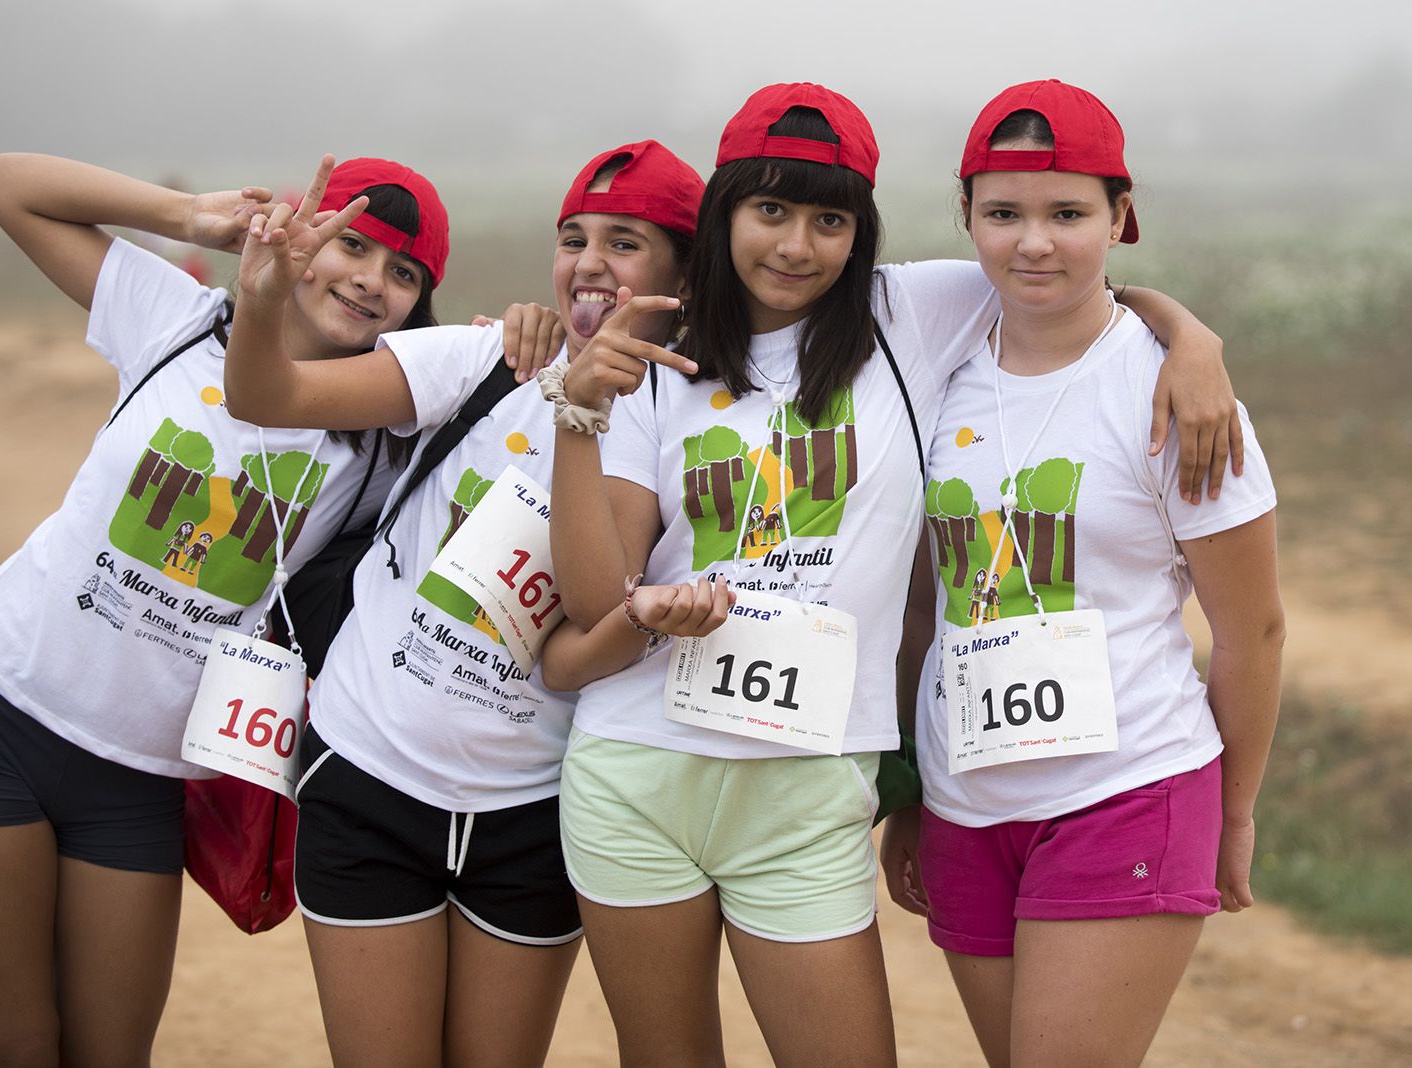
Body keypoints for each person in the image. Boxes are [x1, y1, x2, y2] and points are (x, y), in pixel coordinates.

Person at [539, 82, 1240, 1066]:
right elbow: (589, 596)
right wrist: (578, 418)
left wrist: (1192, 341)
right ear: (723, 211)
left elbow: (1071, 278)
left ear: (859, 232)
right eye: (768, 211)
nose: (794, 245)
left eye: (827, 219)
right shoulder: (659, 359)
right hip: (636, 764)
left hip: (809, 783)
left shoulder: (906, 314)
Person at [0, 151, 484, 1066]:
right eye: (354, 243)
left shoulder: (385, 443)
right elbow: (1, 182)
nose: (372, 281)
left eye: (405, 273)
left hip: (138, 777)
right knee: (11, 1040)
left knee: (108, 1050)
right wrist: (195, 219)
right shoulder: (174, 321)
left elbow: (505, 434)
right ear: (301, 233)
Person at [220, 140, 704, 1066]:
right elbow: (262, 392)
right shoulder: (486, 357)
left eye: (626, 241)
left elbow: (589, 623)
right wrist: (265, 293)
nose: (589, 262)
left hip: (534, 814)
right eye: (573, 238)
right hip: (369, 774)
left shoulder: (690, 417)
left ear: (682, 269)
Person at [879, 79, 1283, 1067]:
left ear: (1119, 217)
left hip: (1129, 791)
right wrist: (908, 793)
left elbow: (1252, 632)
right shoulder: (934, 372)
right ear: (965, 215)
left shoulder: (1178, 399)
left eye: (1068, 213)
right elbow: (923, 606)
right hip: (965, 807)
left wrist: (1234, 816)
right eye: (1004, 213)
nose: (1034, 243)